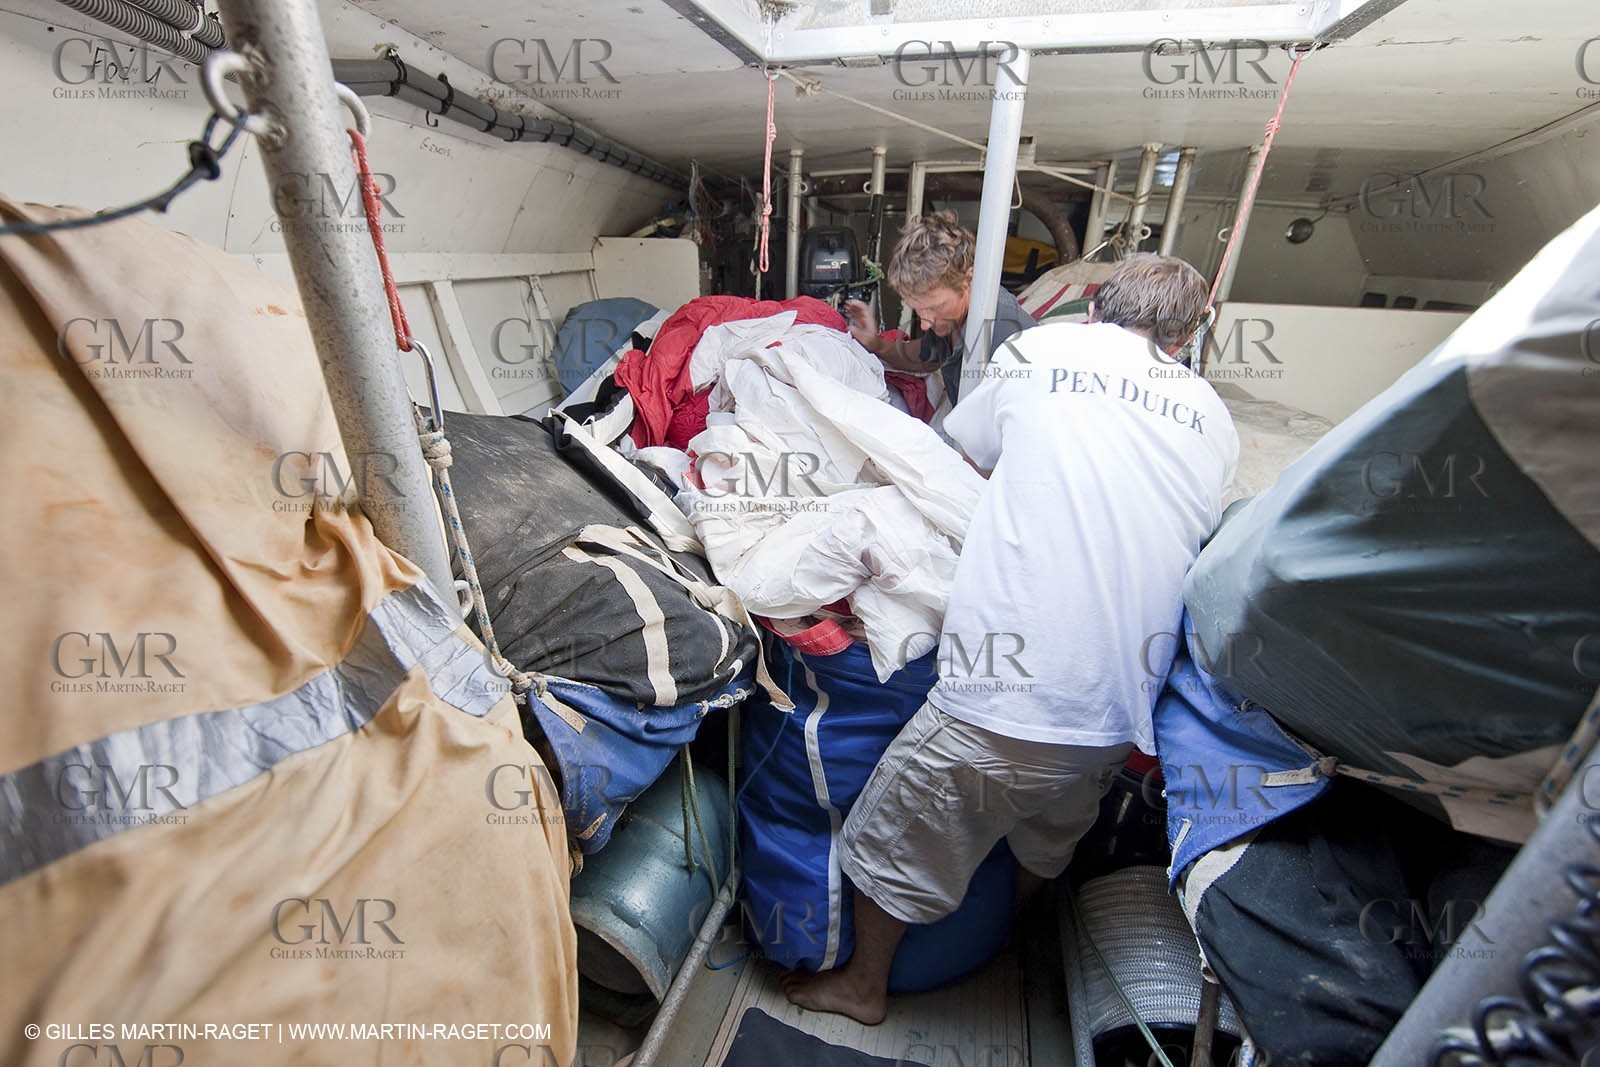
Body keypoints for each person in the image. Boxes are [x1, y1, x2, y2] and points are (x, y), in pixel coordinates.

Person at [783, 253, 1240, 1025]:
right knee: (1046, 835)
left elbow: (962, 457)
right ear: (1186, 335)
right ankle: (1011, 945)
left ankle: (862, 989)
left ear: (1095, 308)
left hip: (1006, 701)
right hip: (1121, 712)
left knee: (891, 840)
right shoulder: (1213, 415)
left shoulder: (1041, 349)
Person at [846, 210, 1035, 406]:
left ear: (969, 280)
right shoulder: (951, 316)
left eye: (936, 306)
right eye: (917, 309)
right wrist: (875, 344)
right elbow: (924, 358)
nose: (926, 324)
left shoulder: (1004, 335)